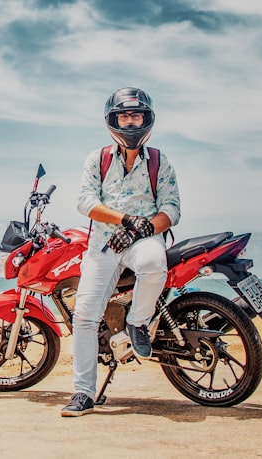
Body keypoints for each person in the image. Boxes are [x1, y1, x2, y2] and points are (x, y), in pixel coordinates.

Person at [61, 87, 181, 417]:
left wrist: (146, 227)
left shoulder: (160, 161)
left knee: (155, 263)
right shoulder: (97, 159)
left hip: (143, 241)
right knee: (84, 316)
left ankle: (138, 323)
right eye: (124, 116)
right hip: (103, 243)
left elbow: (172, 208)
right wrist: (126, 220)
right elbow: (86, 202)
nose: (130, 122)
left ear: (147, 119)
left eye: (136, 115)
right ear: (113, 120)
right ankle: (83, 394)